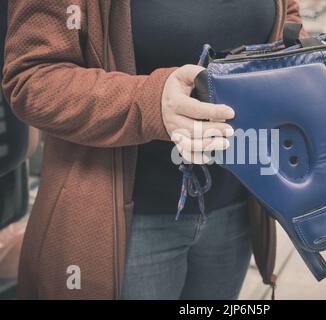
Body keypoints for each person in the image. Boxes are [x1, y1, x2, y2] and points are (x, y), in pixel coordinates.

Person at [2, 0, 305, 299]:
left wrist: (302, 62)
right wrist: (149, 103)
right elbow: (32, 78)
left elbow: (284, 16)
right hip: (129, 223)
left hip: (236, 207)